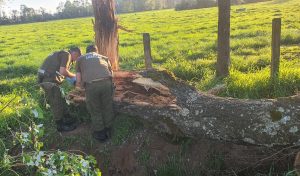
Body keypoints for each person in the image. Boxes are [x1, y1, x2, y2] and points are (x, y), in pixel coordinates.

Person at [75, 45, 114, 142]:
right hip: (107, 83)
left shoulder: (80, 59)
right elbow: (111, 73)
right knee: (107, 106)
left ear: (86, 51)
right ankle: (109, 129)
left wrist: (79, 87)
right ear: (97, 51)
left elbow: (78, 77)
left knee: (95, 108)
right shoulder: (104, 57)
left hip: (92, 85)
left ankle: (100, 133)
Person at [38, 47, 81, 132]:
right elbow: (63, 72)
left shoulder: (60, 54)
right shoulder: (67, 55)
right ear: (75, 53)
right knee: (56, 103)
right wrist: (74, 76)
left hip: (47, 79)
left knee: (61, 99)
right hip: (49, 81)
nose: (76, 60)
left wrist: (71, 80)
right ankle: (60, 126)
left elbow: (62, 73)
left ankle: (67, 118)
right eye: (77, 58)